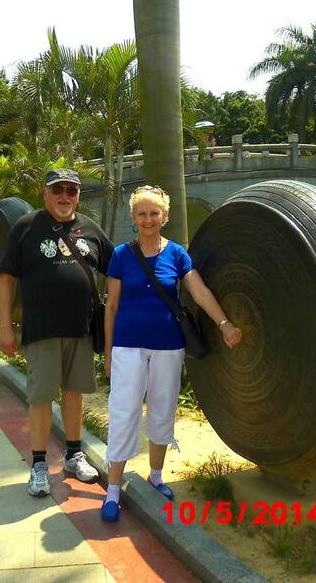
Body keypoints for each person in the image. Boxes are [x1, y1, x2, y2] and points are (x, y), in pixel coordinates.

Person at [101, 185, 243, 522]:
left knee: (163, 408)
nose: (148, 219)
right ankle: (113, 489)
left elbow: (200, 291)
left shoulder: (177, 254)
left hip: (168, 345)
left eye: (154, 213)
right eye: (142, 213)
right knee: (123, 411)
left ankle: (156, 475)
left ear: (164, 216)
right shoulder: (122, 255)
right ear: (133, 217)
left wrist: (224, 324)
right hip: (127, 345)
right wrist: (107, 352)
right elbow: (112, 307)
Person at [0, 168, 114, 498]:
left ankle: (75, 455)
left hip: (80, 329)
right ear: (45, 194)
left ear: (78, 195)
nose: (65, 196)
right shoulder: (26, 227)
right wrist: (5, 326)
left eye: (72, 190)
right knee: (41, 397)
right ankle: (38, 465)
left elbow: (117, 266)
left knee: (75, 392)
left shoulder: (89, 228)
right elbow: (5, 279)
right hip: (42, 330)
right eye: (58, 189)